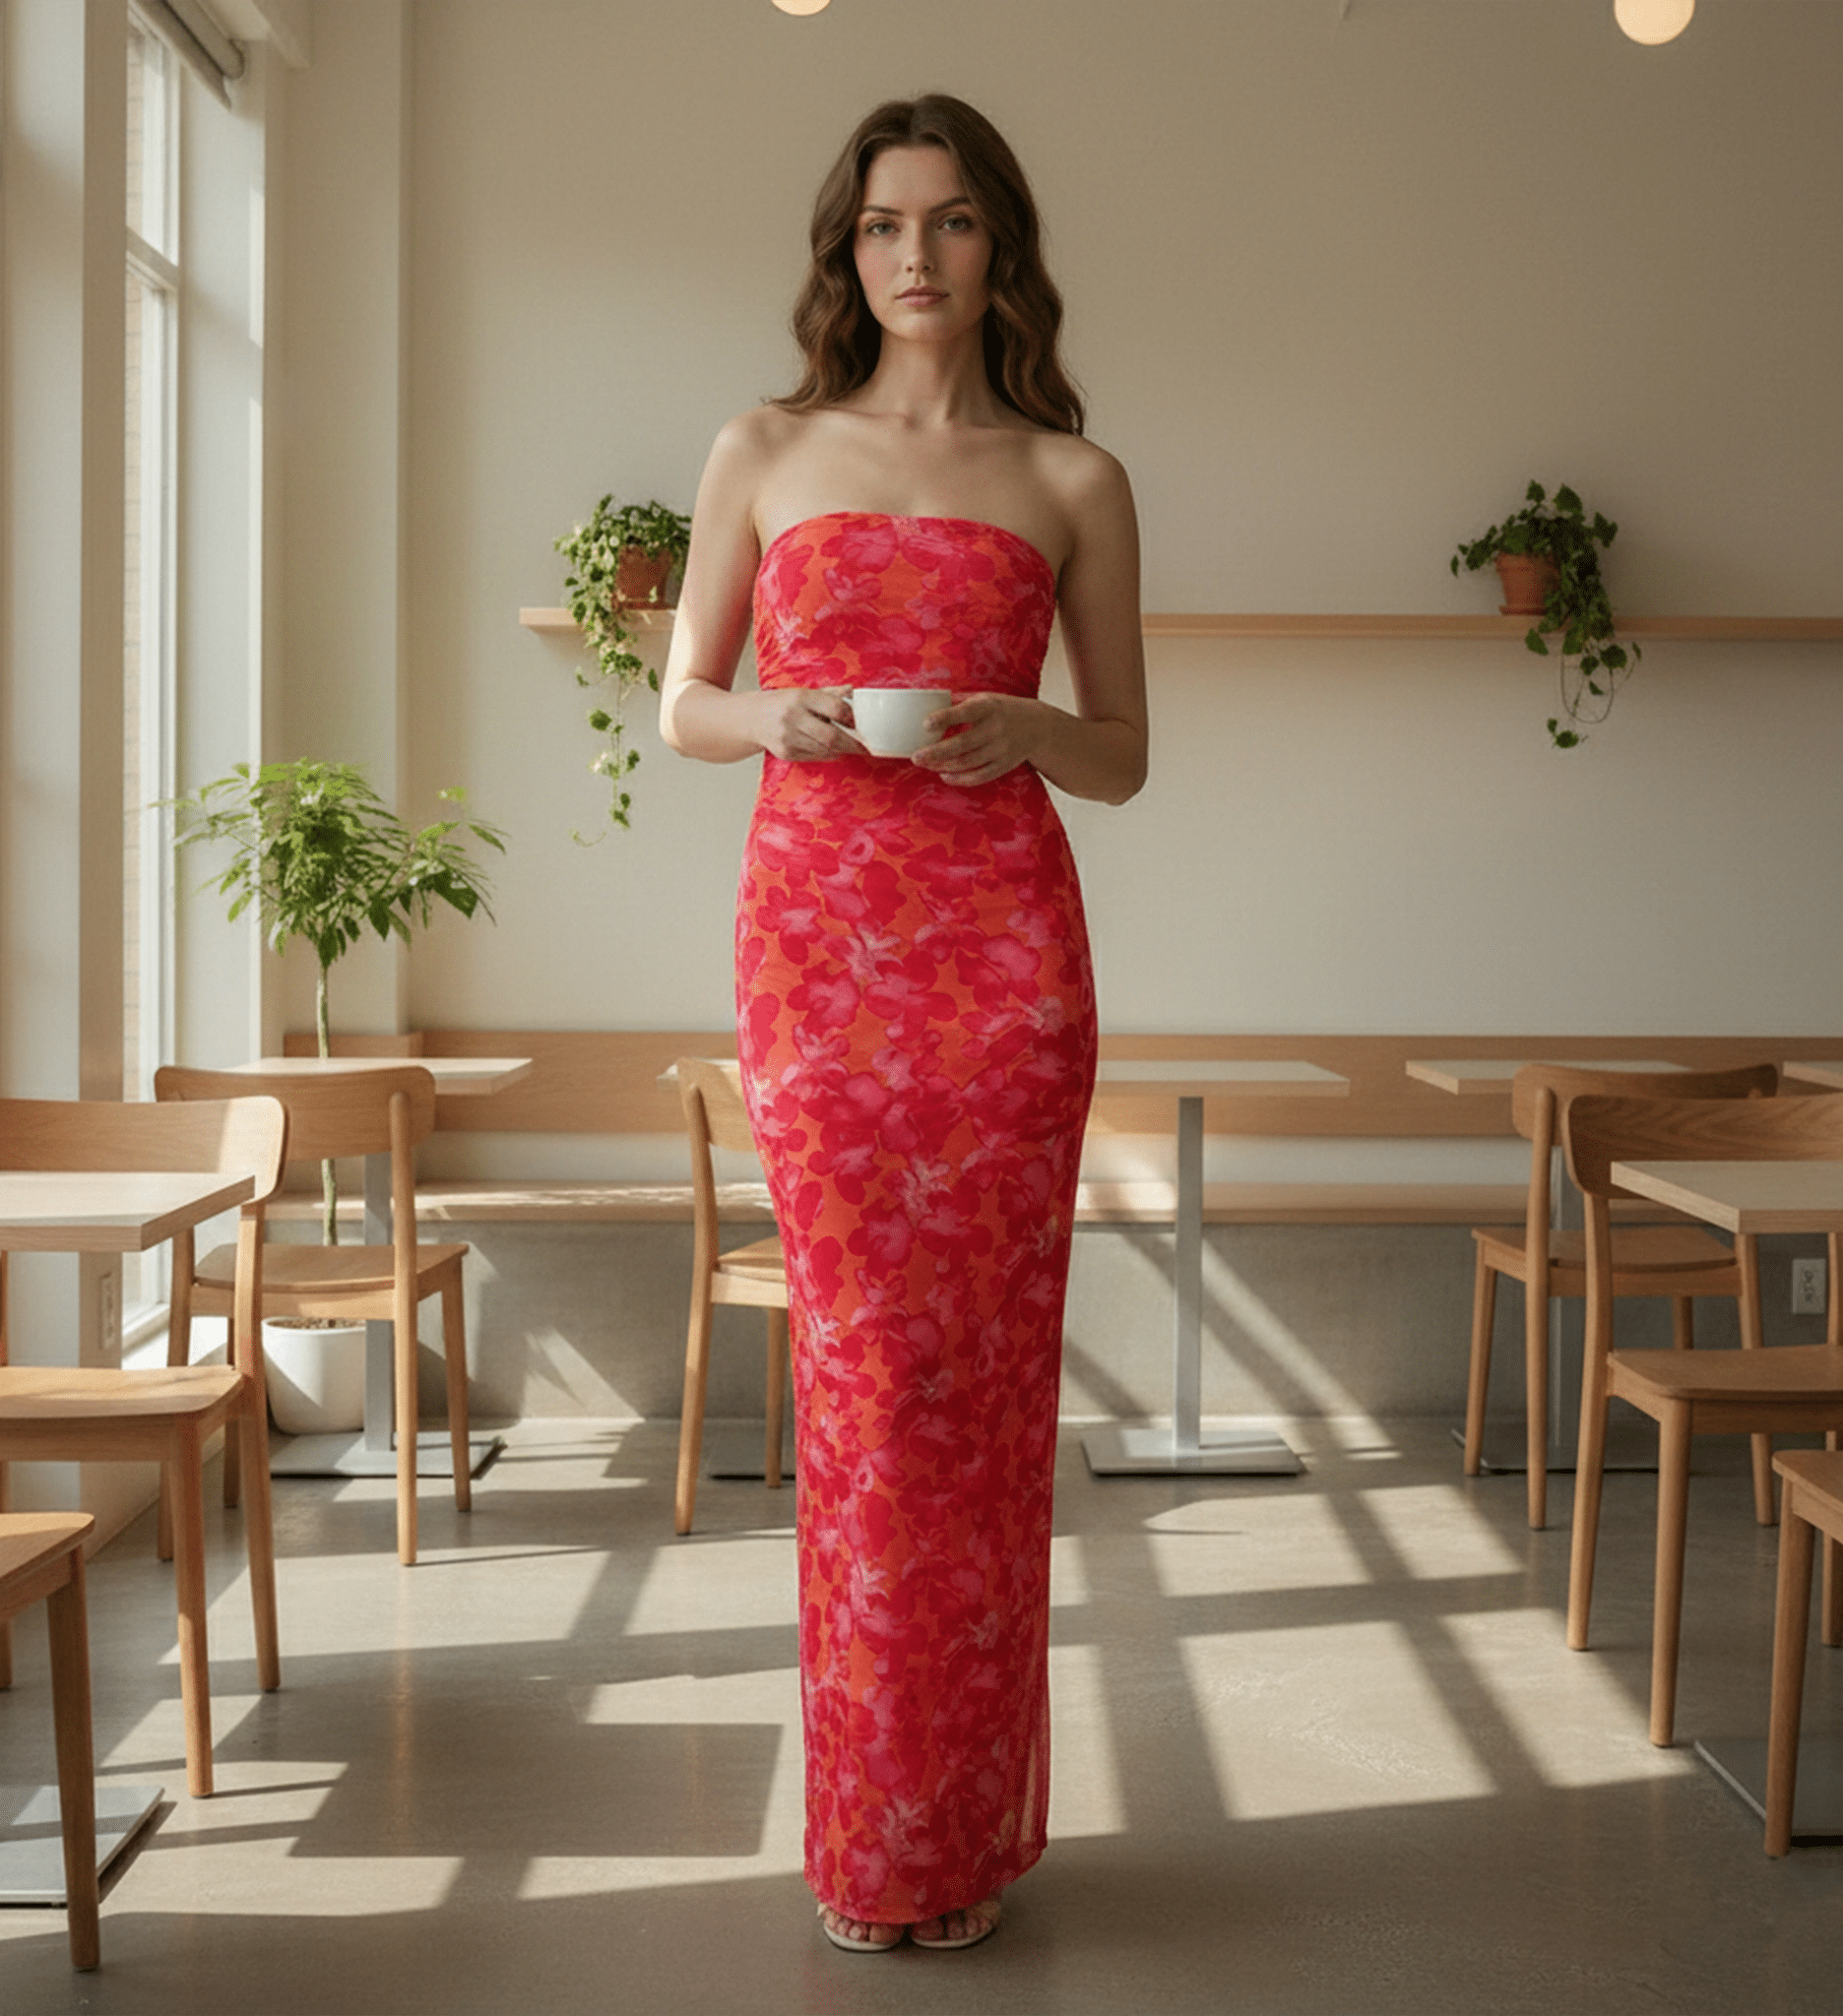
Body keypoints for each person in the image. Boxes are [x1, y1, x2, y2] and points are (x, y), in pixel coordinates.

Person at [660, 93, 1147, 1955]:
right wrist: (770, 720)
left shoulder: (1073, 480)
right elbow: (682, 702)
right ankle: (874, 1846)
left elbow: (1125, 755)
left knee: (984, 1394)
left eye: (948, 225)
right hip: (816, 954)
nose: (915, 259)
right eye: (882, 226)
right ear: (844, 249)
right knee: (864, 1387)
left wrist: (1026, 730)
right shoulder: (762, 445)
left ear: (998, 247)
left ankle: (961, 1838)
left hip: (1003, 967)